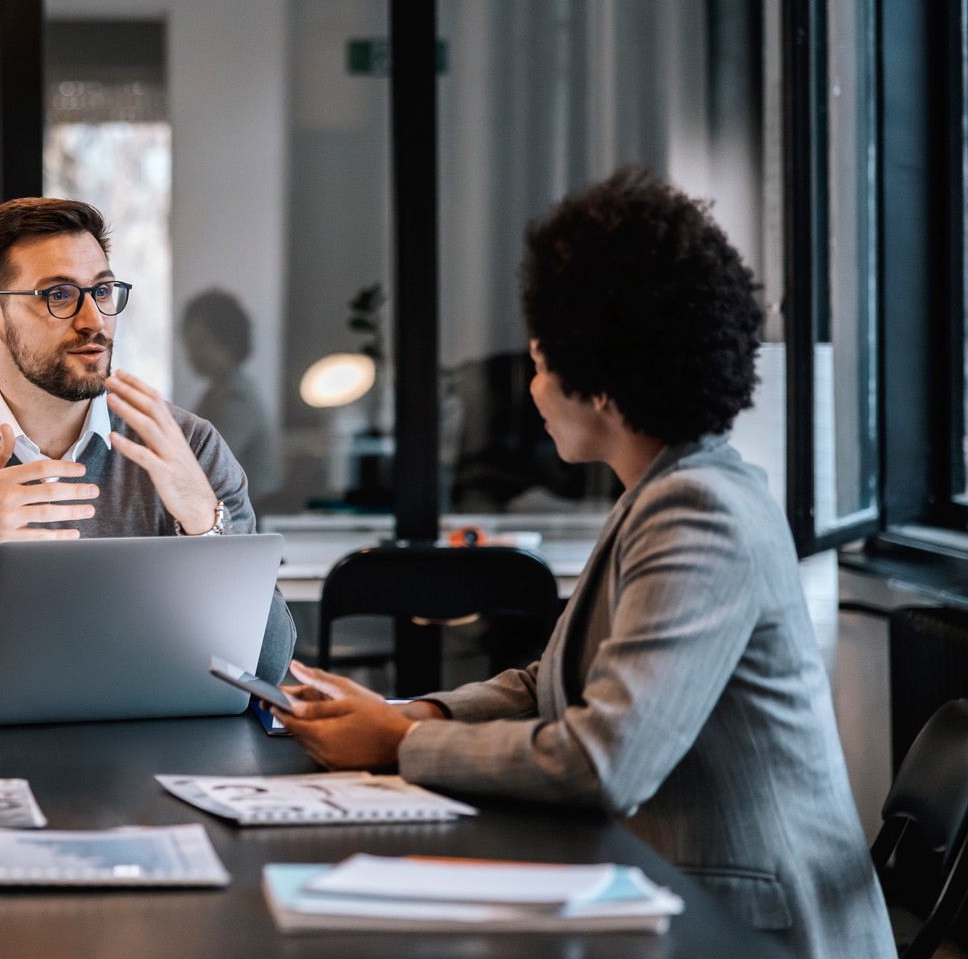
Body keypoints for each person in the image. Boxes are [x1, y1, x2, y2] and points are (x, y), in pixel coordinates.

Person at [272, 167, 892, 959]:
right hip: (679, 897)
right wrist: (414, 714)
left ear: (598, 380)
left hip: (754, 932)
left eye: (538, 362)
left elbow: (606, 760)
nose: (531, 389)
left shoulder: (698, 510)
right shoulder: (660, 491)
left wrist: (396, 743)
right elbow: (550, 681)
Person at [0, 197, 295, 691]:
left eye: (102, 290)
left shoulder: (189, 447)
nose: (93, 320)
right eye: (59, 295)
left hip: (156, 750)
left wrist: (204, 522)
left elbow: (267, 669)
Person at [181, 288, 279, 497]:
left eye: (201, 343)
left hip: (249, 516)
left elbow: (209, 463)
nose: (191, 353)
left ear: (228, 342)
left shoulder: (237, 397)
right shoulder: (217, 391)